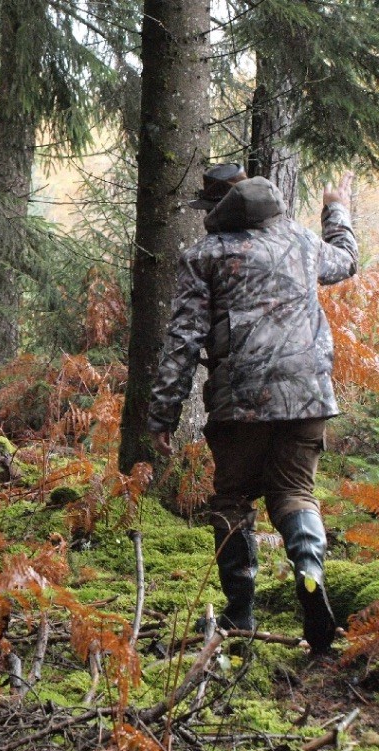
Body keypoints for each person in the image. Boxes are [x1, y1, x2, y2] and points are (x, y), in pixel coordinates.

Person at [148, 163, 358, 655]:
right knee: (295, 492)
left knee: (233, 500)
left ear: (217, 208)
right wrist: (335, 206)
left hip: (239, 400)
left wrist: (164, 414)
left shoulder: (206, 256)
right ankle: (308, 568)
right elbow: (347, 261)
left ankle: (240, 615)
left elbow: (183, 341)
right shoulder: (302, 242)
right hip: (308, 395)